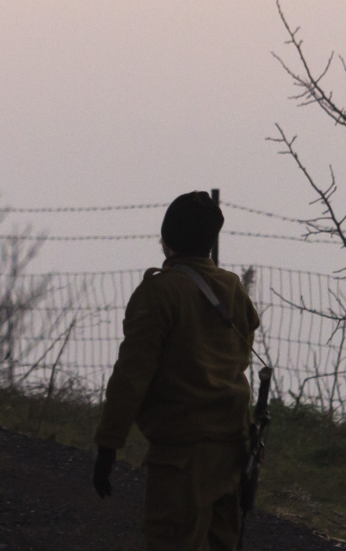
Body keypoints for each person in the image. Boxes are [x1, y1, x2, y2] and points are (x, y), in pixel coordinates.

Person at [92, 190, 261, 551]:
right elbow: (242, 351)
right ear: (211, 241)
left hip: (181, 459)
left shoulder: (159, 294)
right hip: (232, 453)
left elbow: (131, 377)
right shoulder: (231, 287)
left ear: (166, 238)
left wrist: (108, 445)